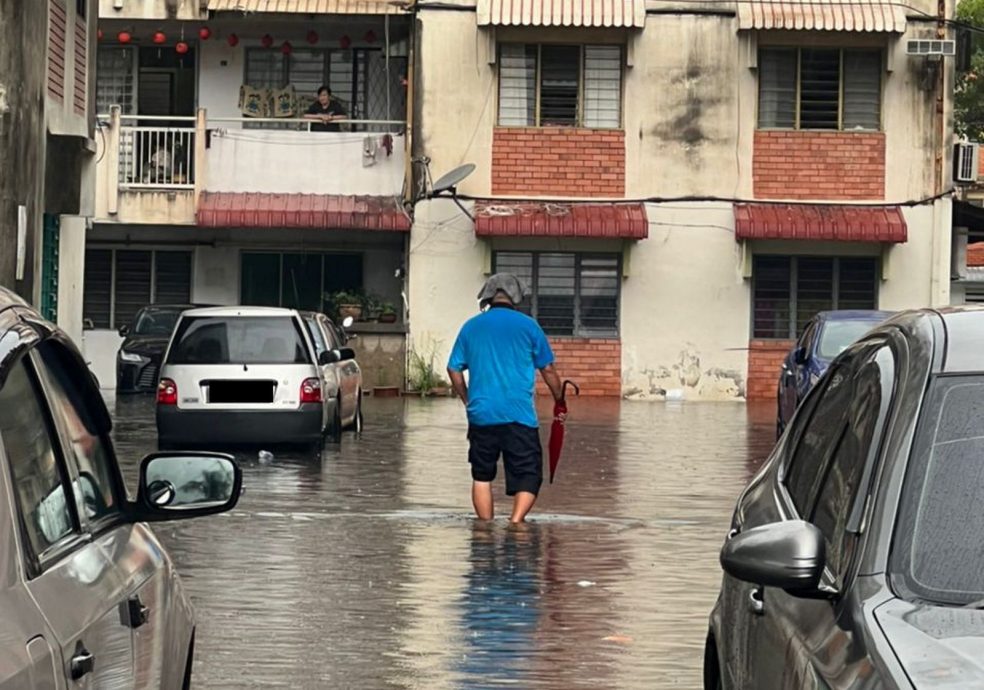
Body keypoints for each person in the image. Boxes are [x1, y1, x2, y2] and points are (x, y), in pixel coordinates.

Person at [447, 274, 564, 524]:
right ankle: (516, 522)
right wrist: (559, 399)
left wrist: (468, 400)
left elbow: (453, 369)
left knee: (481, 475)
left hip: (481, 415)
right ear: (517, 298)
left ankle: (485, 530)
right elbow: (549, 370)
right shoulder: (529, 326)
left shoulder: (471, 327)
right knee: (529, 473)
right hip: (518, 415)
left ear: (487, 297)